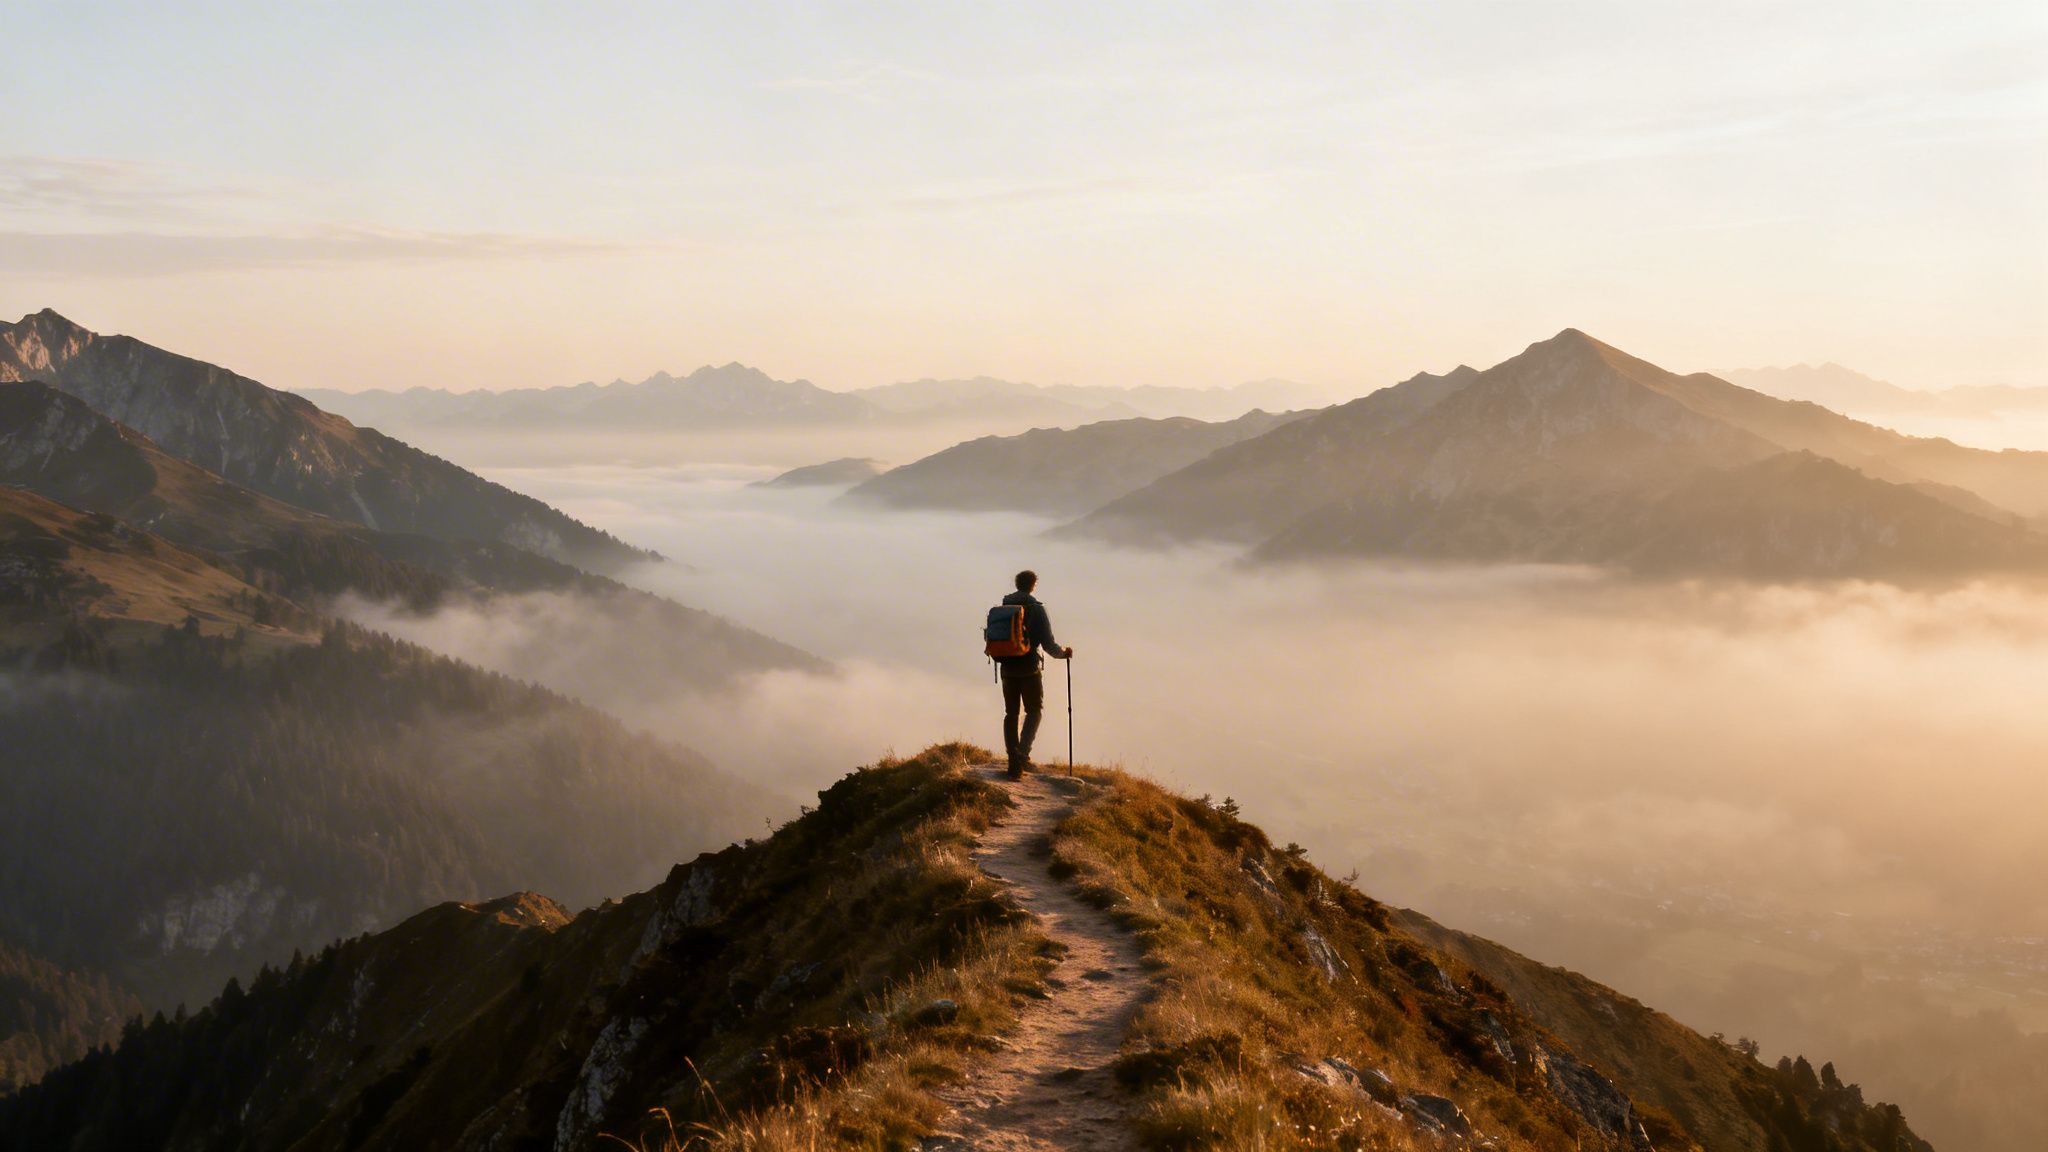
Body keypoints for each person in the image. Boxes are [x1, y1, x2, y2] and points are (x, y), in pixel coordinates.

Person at [996, 569, 1072, 778]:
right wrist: (1063, 654)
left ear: (1017, 583)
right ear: (1033, 585)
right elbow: (1047, 643)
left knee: (1011, 714)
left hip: (1007, 668)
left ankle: (1013, 760)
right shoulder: (1036, 609)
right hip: (1029, 669)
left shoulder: (1005, 606)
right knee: (1034, 710)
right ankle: (1023, 754)